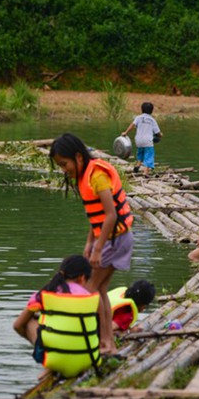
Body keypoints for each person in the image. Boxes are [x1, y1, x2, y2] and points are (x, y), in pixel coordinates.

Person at [49, 133, 134, 356]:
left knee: (89, 290)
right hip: (112, 238)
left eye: (64, 164)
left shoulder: (96, 175)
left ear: (78, 157)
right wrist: (90, 242)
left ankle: (103, 342)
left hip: (115, 239)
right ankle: (107, 342)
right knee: (100, 289)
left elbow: (111, 215)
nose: (63, 169)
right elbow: (96, 217)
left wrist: (97, 249)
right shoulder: (85, 176)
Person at [13, 255, 102, 378]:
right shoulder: (91, 297)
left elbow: (17, 325)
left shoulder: (45, 294)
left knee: (29, 322)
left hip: (57, 358)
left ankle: (50, 361)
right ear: (82, 278)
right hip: (88, 358)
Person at [122, 102, 163, 176]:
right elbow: (157, 132)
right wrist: (160, 135)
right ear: (151, 111)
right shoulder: (152, 120)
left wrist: (126, 132)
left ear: (142, 110)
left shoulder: (138, 117)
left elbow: (132, 125)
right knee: (149, 155)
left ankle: (138, 165)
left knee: (140, 152)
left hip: (138, 140)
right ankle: (146, 171)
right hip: (147, 141)